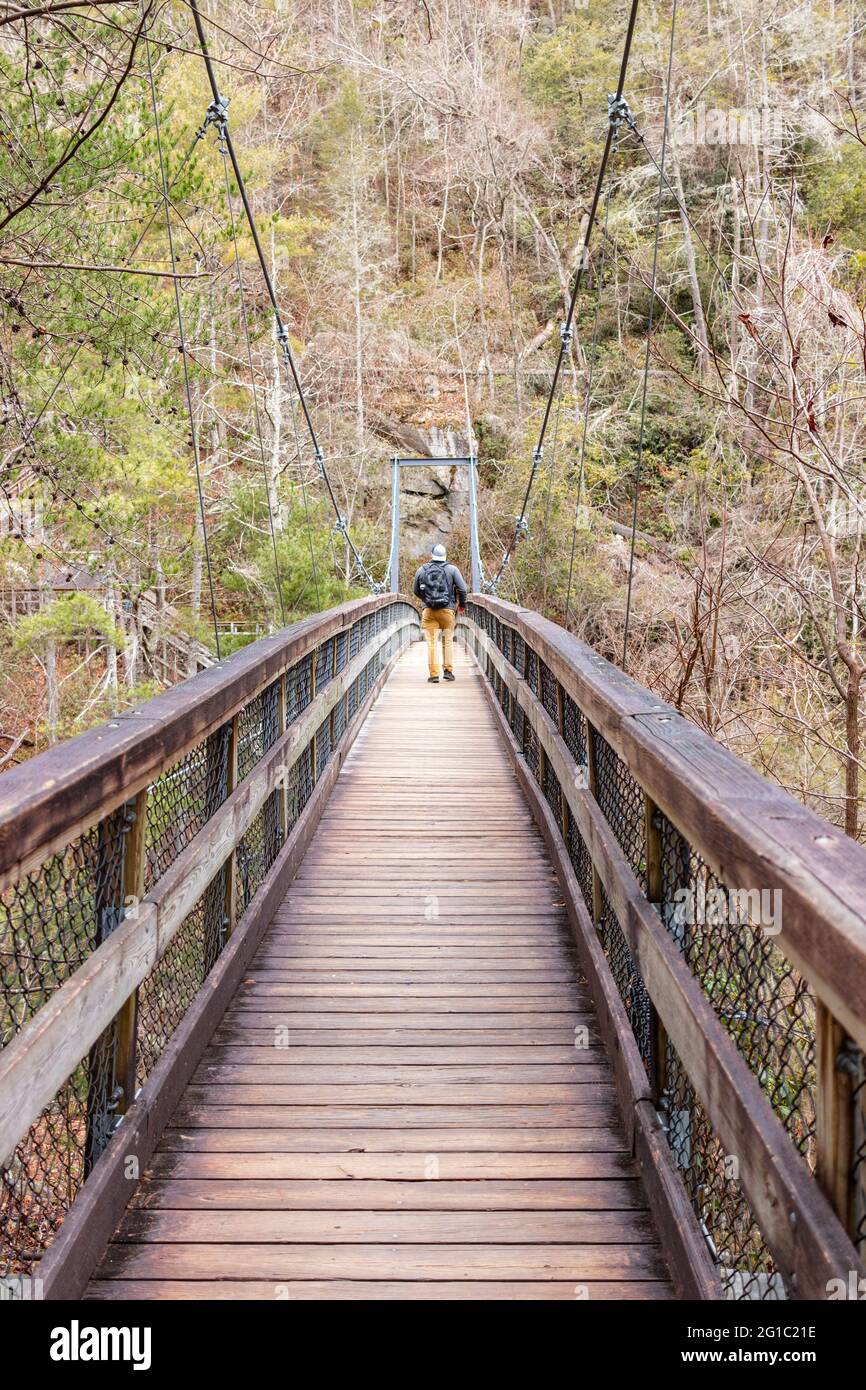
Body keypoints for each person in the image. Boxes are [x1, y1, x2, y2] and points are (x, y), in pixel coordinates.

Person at [412, 543, 468, 683]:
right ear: (445, 555)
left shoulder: (422, 569)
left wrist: (427, 600)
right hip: (447, 610)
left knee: (431, 643)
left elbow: (415, 590)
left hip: (429, 611)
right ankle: (448, 671)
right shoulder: (452, 569)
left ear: (432, 555)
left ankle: (434, 674)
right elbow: (463, 589)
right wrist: (461, 605)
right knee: (447, 641)